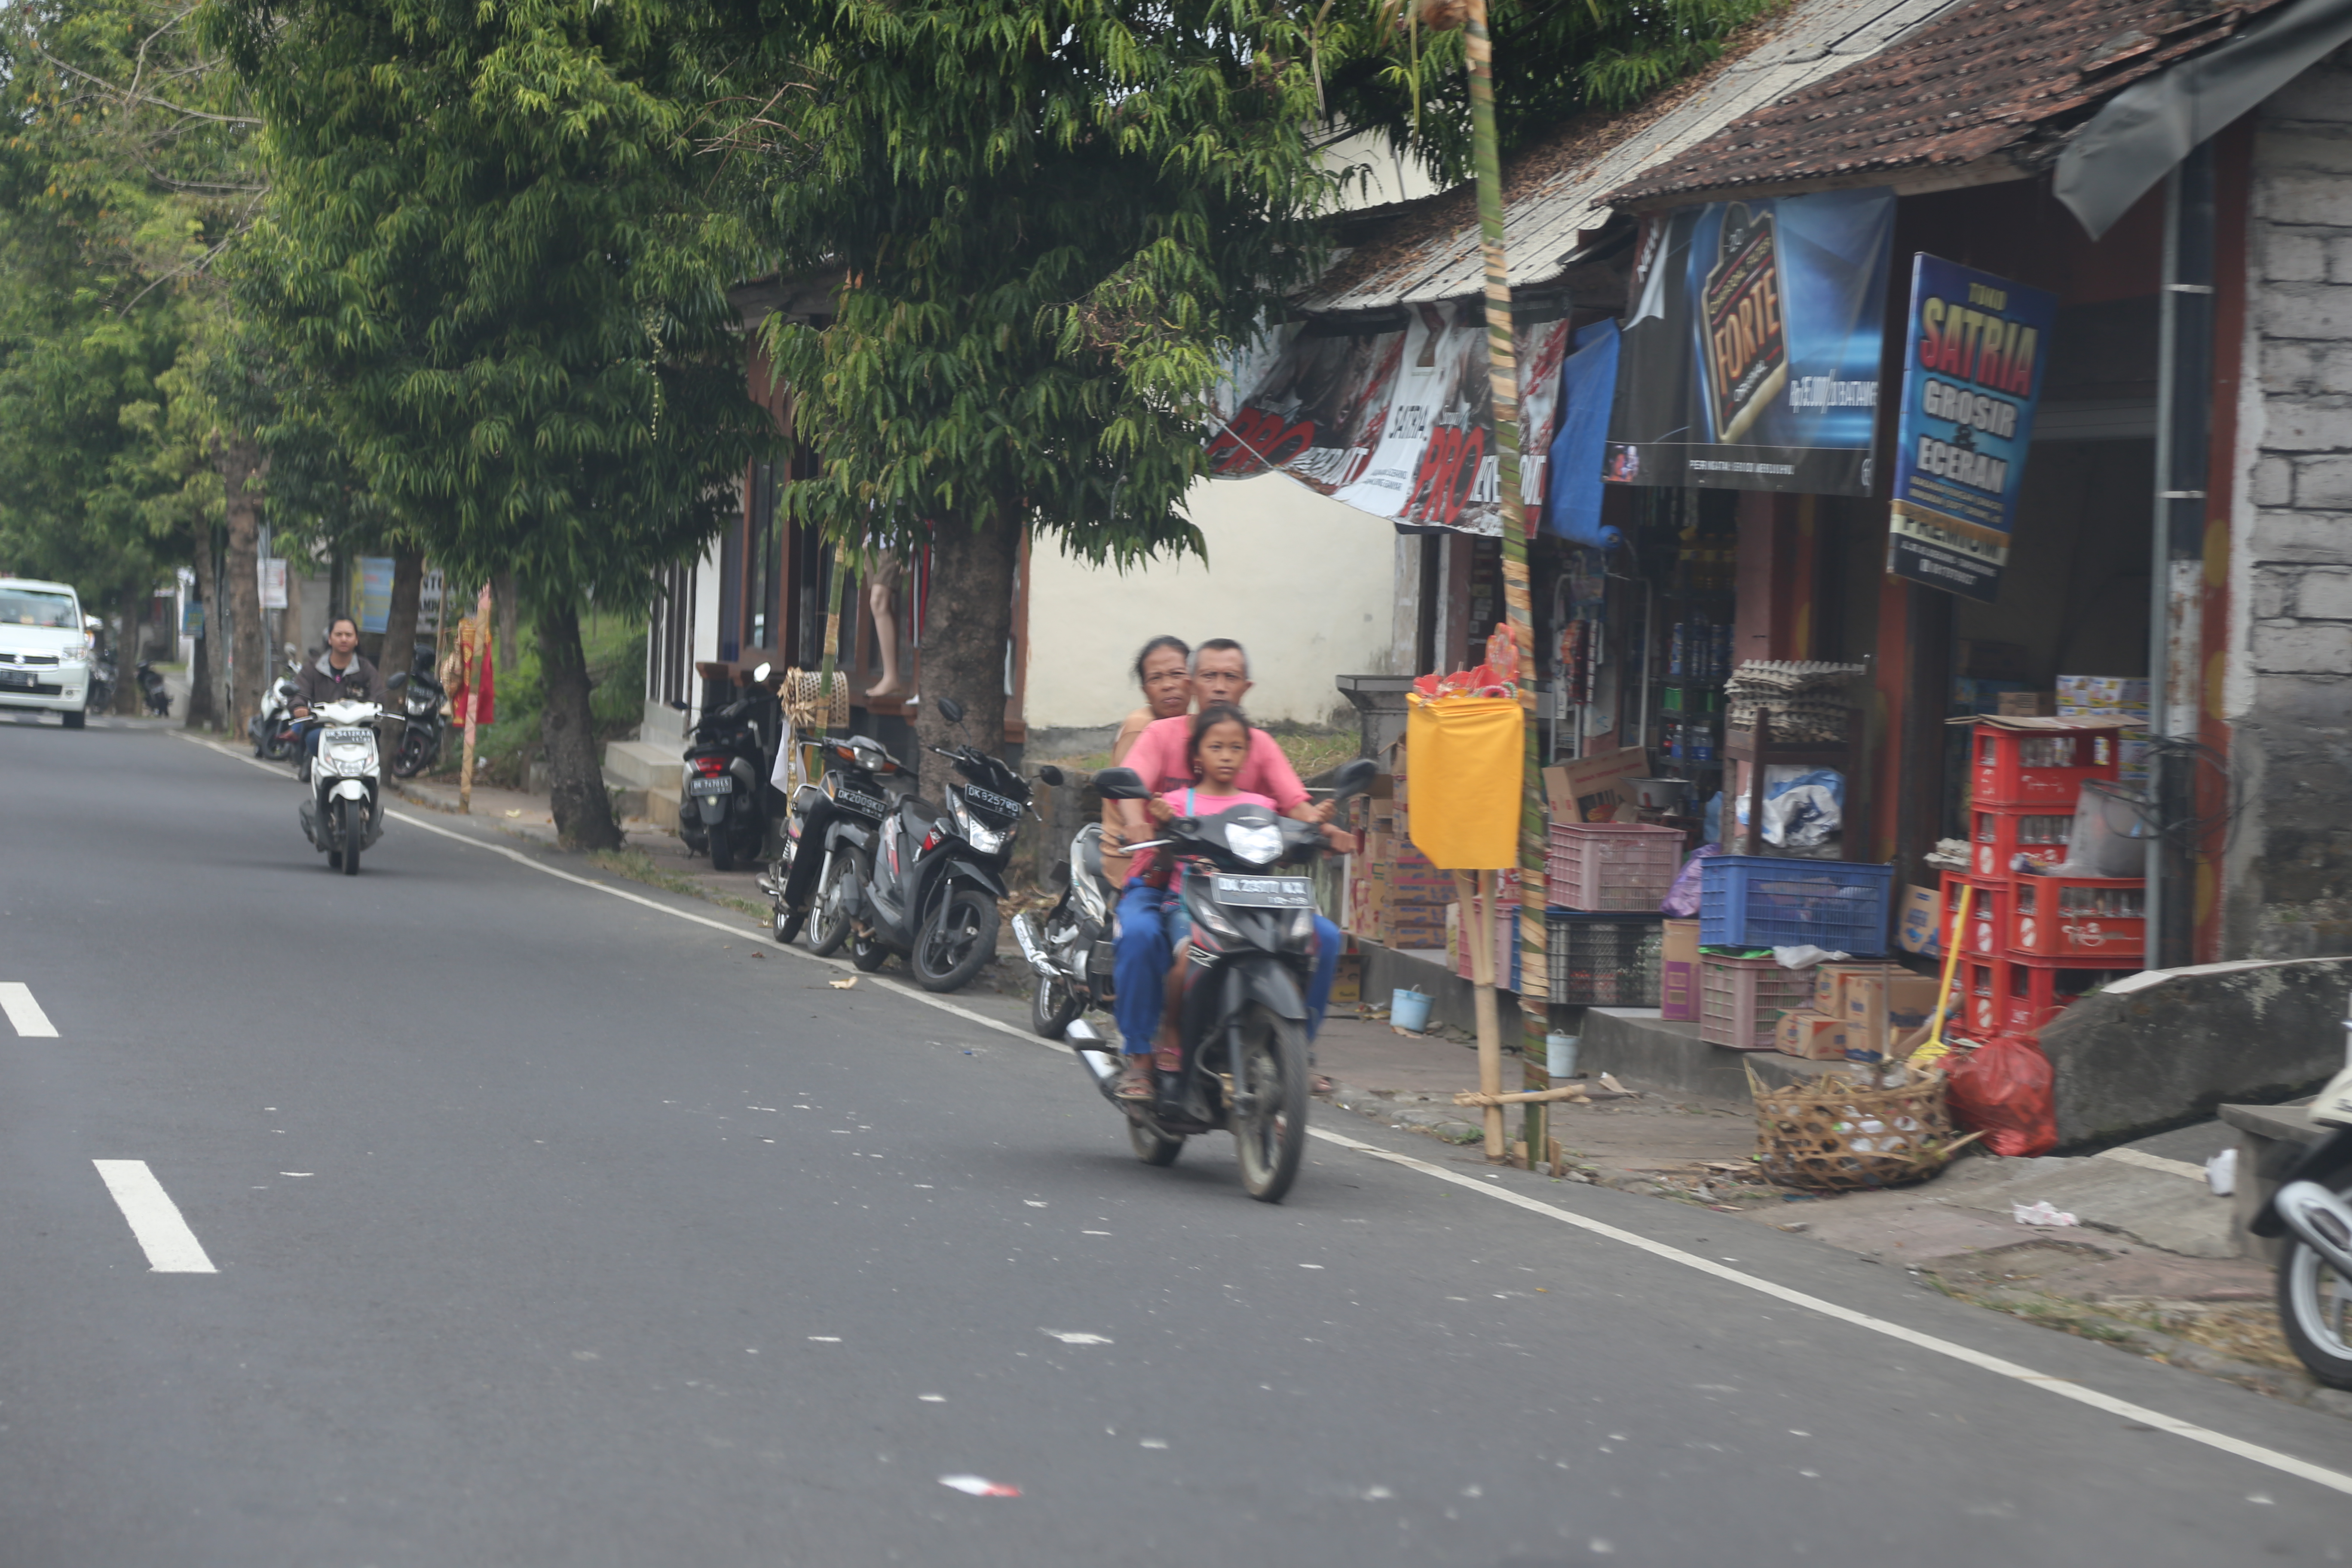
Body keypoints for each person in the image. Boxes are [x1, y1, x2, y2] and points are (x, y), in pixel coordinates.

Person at [1106, 639, 1350, 1088]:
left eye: (1230, 678)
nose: (1219, 687)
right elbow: (1129, 788)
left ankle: (1296, 1053)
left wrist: (1323, 831)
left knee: (1325, 938)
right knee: (1140, 936)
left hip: (1246, 889)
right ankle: (1141, 1056)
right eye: (1209, 676)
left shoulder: (1258, 744)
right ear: (1192, 682)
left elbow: (1295, 804)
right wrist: (1137, 824)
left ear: (1247, 686)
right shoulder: (1162, 736)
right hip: (1168, 881)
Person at [1113, 704, 1275, 1099]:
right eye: (1215, 746)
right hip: (1188, 905)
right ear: (1197, 755)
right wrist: (1164, 824)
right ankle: (1170, 1027)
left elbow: (1276, 852)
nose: (1225, 755)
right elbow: (1163, 858)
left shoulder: (1262, 807)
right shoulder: (1177, 802)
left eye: (1235, 748)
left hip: (1247, 909)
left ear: (1246, 754)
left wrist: (1312, 829)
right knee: (1190, 958)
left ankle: (1279, 1059)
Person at [1099, 635, 1192, 888]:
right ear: (1145, 691)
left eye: (1177, 674)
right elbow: (1131, 793)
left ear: (1193, 680)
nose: (1168, 685)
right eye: (1156, 678)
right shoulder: (1142, 727)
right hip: (1134, 853)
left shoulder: (1201, 726)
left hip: (1186, 853)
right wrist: (1138, 824)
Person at [290, 615, 387, 771]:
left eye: (349, 635)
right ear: (330, 639)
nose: (344, 639)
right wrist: (299, 706)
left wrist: (376, 708)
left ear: (356, 640)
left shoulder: (366, 669)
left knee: (372, 753)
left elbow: (379, 695)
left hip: (359, 730)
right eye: (339, 635)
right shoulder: (313, 668)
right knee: (315, 739)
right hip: (323, 728)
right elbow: (300, 692)